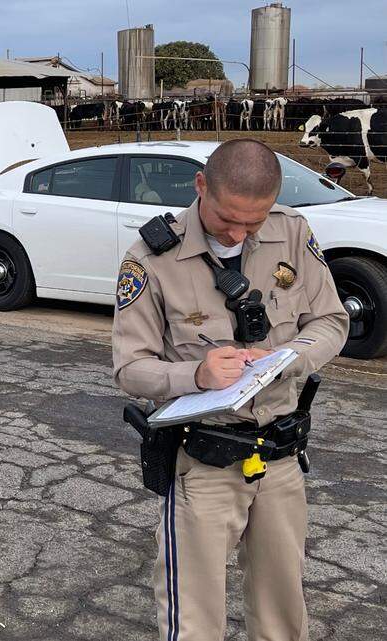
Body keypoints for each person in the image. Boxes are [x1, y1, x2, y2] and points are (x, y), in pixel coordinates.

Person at [112, 139, 349, 641]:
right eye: (226, 220)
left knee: (283, 611)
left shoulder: (292, 233)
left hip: (281, 457)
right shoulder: (152, 258)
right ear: (201, 187)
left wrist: (288, 359)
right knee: (193, 618)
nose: (239, 233)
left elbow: (330, 320)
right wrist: (195, 375)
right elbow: (129, 370)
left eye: (254, 222)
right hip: (204, 462)